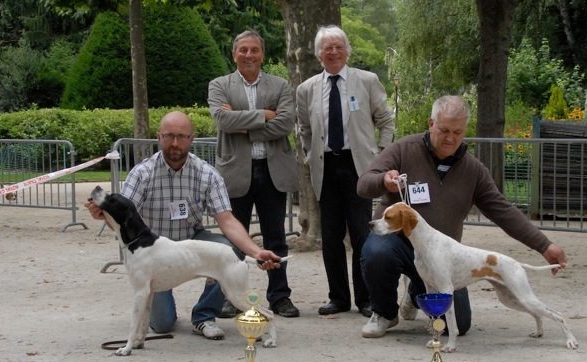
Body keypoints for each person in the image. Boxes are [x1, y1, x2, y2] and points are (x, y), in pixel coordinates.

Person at [357, 95, 568, 338]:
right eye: (444, 130)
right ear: (431, 124)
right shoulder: (404, 149)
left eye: (458, 132)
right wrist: (383, 180)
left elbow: (503, 211)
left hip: (443, 257)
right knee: (376, 253)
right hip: (397, 244)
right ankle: (384, 313)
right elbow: (364, 184)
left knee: (459, 326)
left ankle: (416, 293)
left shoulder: (474, 170)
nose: (450, 138)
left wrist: (544, 245)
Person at [85, 111, 285, 340]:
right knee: (161, 324)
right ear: (159, 137)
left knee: (226, 249)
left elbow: (227, 221)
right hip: (154, 251)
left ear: (192, 138)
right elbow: (123, 221)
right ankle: (158, 319)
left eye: (181, 136)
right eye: (169, 136)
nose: (175, 143)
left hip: (192, 242)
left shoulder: (207, 174)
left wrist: (256, 252)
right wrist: (104, 217)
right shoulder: (142, 174)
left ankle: (204, 316)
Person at [296, 25, 395, 317]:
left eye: (338, 46)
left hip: (360, 167)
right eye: (327, 48)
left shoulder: (367, 81)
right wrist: (308, 155)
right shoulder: (307, 89)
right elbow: (304, 129)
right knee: (330, 236)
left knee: (362, 234)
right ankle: (338, 297)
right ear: (319, 54)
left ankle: (365, 298)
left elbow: (386, 121)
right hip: (326, 167)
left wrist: (381, 157)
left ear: (347, 50)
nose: (334, 52)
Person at [207, 30, 300, 318]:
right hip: (236, 172)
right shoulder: (219, 84)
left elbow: (285, 124)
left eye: (255, 50)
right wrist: (264, 114)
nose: (249, 55)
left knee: (276, 238)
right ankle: (230, 297)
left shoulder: (281, 85)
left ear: (262, 54)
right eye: (243, 50)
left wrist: (241, 119)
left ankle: (280, 297)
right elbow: (222, 119)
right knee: (233, 240)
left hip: (272, 172)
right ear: (234, 54)